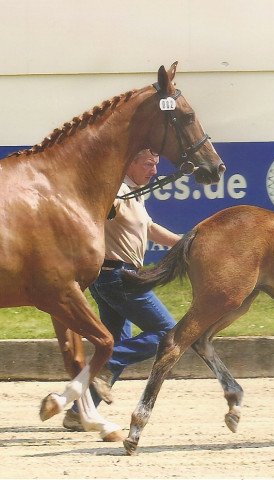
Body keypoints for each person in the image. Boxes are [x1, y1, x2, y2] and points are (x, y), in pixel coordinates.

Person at [63, 149, 181, 431]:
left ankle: (78, 413)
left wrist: (185, 244)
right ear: (129, 162)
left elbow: (149, 228)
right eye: (148, 165)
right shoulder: (116, 191)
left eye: (156, 165)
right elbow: (99, 208)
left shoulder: (133, 192)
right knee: (167, 333)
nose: (154, 172)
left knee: (115, 342)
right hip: (119, 277)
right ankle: (104, 366)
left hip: (111, 278)